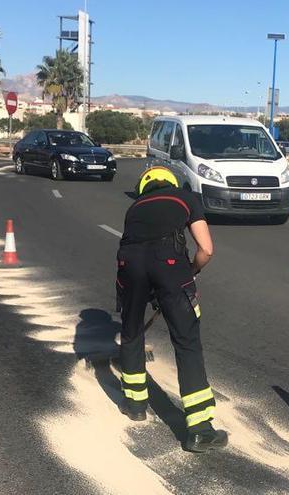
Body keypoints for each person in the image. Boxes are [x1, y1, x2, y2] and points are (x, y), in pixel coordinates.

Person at [115, 166, 228, 453]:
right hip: (169, 265)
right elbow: (207, 249)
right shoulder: (184, 198)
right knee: (186, 342)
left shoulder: (134, 207)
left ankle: (135, 403)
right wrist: (190, 271)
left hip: (129, 265)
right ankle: (200, 430)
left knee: (131, 332)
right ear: (172, 182)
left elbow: (137, 248)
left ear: (144, 188)